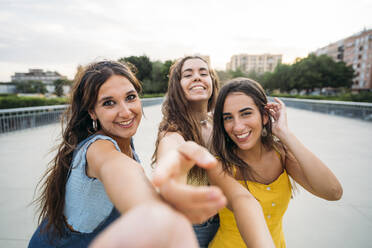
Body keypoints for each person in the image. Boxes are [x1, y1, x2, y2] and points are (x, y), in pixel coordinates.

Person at [28, 60, 206, 248]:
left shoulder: (125, 141)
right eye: (109, 103)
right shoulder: (98, 149)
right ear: (92, 112)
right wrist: (156, 213)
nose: (126, 111)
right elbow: (120, 171)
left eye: (130, 97)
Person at [151, 56, 275, 248]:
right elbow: (171, 151)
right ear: (177, 85)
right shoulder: (173, 131)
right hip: (193, 226)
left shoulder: (217, 123)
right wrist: (169, 176)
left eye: (203, 73)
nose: (197, 78)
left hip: (224, 222)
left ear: (212, 82)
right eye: (188, 74)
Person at [208, 78, 343, 248]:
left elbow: (333, 192)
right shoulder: (219, 166)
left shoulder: (281, 154)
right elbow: (246, 205)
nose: (237, 127)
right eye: (228, 118)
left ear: (264, 116)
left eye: (246, 113)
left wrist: (284, 134)